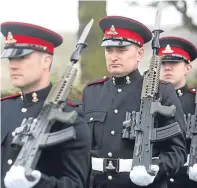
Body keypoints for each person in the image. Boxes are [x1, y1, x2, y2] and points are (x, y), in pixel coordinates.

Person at [82, 16, 187, 188]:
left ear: (139, 54)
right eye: (109, 50)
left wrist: (155, 169)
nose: (114, 56)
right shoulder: (92, 92)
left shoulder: (161, 91)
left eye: (121, 50)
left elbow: (177, 151)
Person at [0, 21, 91, 188]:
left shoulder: (70, 119)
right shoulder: (3, 109)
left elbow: (76, 184)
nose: (13, 65)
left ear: (46, 61)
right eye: (11, 58)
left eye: (21, 57)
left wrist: (36, 183)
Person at [159, 36, 197, 188]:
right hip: (157, 179)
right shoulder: (146, 102)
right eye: (163, 63)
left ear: (188, 68)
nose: (167, 67)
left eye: (174, 62)